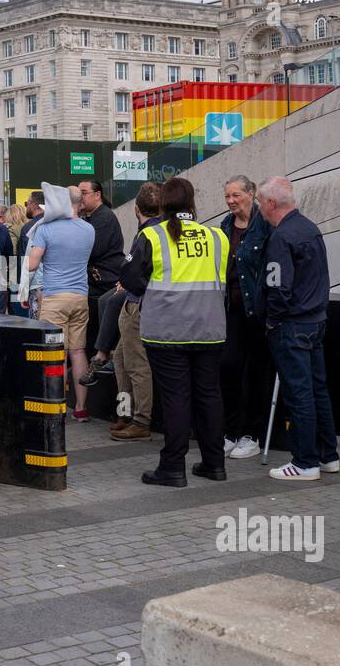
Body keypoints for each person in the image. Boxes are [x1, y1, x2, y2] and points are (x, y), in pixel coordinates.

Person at [120, 178, 228, 486]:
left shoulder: (152, 235)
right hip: (209, 328)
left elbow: (130, 278)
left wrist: (154, 292)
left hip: (167, 331)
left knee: (176, 398)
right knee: (209, 396)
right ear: (193, 203)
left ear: (164, 203)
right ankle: (214, 463)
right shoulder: (216, 236)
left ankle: (173, 467)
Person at [257, 177, 339, 482]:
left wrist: (273, 319)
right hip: (315, 319)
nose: (260, 209)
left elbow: (278, 286)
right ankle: (327, 455)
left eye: (261, 203)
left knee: (299, 394)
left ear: (271, 203)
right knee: (318, 390)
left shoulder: (282, 237)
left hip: (292, 323)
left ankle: (305, 462)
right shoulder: (309, 228)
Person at [23, 185, 94, 419]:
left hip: (54, 297)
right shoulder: (88, 229)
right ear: (79, 203)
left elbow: (32, 265)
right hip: (80, 297)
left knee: (55, 353)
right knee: (78, 351)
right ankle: (81, 408)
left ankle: (57, 407)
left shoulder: (46, 229)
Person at [219, 175, 273, 461]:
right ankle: (230, 430)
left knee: (257, 373)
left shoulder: (264, 225)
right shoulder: (225, 226)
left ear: (251, 193)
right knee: (228, 368)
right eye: (227, 196)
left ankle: (251, 434)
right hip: (231, 310)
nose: (231, 201)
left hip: (258, 311)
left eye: (236, 195)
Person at [109, 183, 160, 441]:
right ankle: (125, 413)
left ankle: (139, 420)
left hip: (137, 303)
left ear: (136, 209)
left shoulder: (147, 234)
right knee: (120, 358)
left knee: (135, 364)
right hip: (145, 303)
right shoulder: (162, 230)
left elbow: (131, 273)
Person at [78, 179, 126, 354]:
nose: (79, 198)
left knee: (96, 339)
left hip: (104, 284)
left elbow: (91, 250)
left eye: (83, 193)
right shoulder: (92, 217)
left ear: (97, 195)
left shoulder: (104, 217)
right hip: (96, 285)